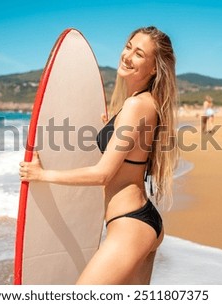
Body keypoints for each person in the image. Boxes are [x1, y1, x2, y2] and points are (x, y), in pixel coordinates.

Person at [19, 26, 178, 284]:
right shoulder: (146, 103)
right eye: (128, 46)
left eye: (139, 54)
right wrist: (111, 127)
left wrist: (42, 174)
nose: (127, 56)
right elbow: (135, 150)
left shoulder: (137, 105)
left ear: (154, 69)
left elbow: (103, 174)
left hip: (130, 226)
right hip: (142, 219)